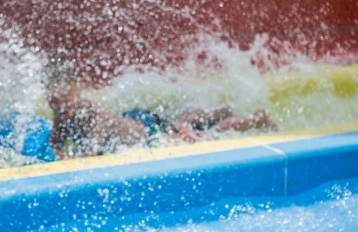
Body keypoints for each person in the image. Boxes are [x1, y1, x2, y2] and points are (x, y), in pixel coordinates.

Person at [44, 58, 277, 159]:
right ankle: (219, 111)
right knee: (181, 121)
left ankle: (256, 120)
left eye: (65, 98)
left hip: (149, 134)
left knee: (205, 135)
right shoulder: (64, 114)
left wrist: (60, 156)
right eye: (54, 102)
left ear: (78, 88)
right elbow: (52, 145)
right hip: (133, 121)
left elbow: (89, 156)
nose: (61, 106)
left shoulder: (94, 113)